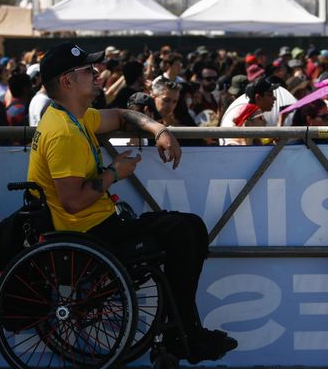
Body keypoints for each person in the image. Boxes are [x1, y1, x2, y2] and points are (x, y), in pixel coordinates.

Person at [26, 42, 237, 363]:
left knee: (188, 228)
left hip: (99, 225)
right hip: (89, 235)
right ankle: (182, 335)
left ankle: (181, 332)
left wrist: (159, 129)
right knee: (184, 231)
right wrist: (114, 172)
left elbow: (123, 114)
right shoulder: (64, 132)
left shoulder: (73, 117)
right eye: (87, 70)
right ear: (67, 82)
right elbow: (71, 202)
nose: (97, 74)